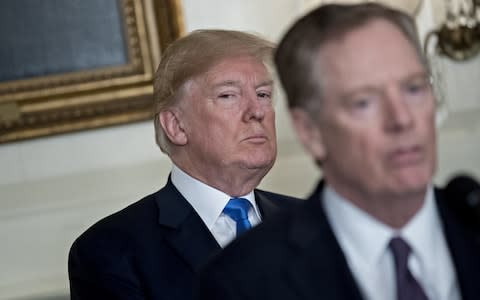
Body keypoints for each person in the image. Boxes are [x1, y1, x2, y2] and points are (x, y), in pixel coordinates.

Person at [197, 4, 480, 300]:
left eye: (413, 88)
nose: (402, 119)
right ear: (310, 132)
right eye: (363, 102)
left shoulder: (470, 225)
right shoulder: (244, 281)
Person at [68, 29, 300, 300]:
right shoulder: (111, 251)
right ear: (176, 126)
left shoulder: (314, 222)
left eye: (262, 94)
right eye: (228, 96)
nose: (257, 111)